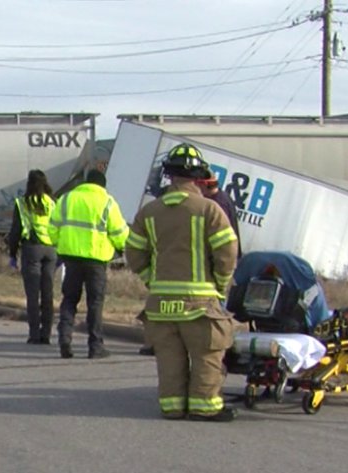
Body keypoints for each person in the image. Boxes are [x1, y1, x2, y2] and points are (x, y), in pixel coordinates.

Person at [126, 143, 239, 422]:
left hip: (161, 304)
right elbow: (227, 253)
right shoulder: (209, 210)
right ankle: (204, 407)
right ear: (199, 176)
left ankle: (173, 406)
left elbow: (133, 252)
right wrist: (221, 286)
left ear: (169, 175)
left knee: (169, 359)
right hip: (200, 303)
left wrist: (152, 280)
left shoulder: (148, 213)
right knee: (206, 356)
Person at [139, 167, 242, 356]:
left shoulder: (214, 205)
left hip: (199, 286)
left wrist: (150, 280)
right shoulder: (210, 205)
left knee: (212, 322)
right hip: (203, 287)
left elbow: (224, 249)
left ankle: (217, 345)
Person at [48, 169, 128, 359]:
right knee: (95, 303)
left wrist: (60, 244)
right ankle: (95, 345)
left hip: (71, 258)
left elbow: (52, 228)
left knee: (69, 300)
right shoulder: (108, 202)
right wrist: (121, 248)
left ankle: (64, 340)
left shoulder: (67, 199)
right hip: (96, 259)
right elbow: (119, 233)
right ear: (102, 185)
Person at [8, 170, 57, 344]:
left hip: (32, 249)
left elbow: (16, 231)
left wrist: (12, 254)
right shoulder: (52, 202)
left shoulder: (22, 203)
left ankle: (34, 334)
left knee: (32, 294)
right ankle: (46, 334)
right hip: (51, 250)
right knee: (48, 293)